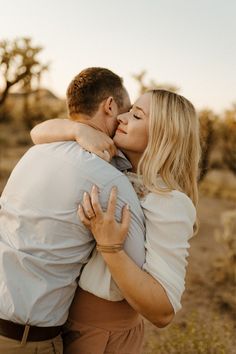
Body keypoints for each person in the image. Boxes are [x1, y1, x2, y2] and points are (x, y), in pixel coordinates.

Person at [31, 89, 201, 354]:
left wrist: (110, 247)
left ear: (163, 134)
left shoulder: (169, 202)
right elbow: (38, 134)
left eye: (136, 115)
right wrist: (77, 130)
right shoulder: (108, 162)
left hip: (101, 336)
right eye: (127, 110)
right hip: (61, 321)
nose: (121, 117)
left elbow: (163, 312)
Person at [0, 67, 147, 354]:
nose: (126, 120)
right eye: (126, 112)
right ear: (109, 106)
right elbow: (137, 272)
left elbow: (38, 132)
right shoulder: (108, 180)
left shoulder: (34, 153)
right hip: (28, 342)